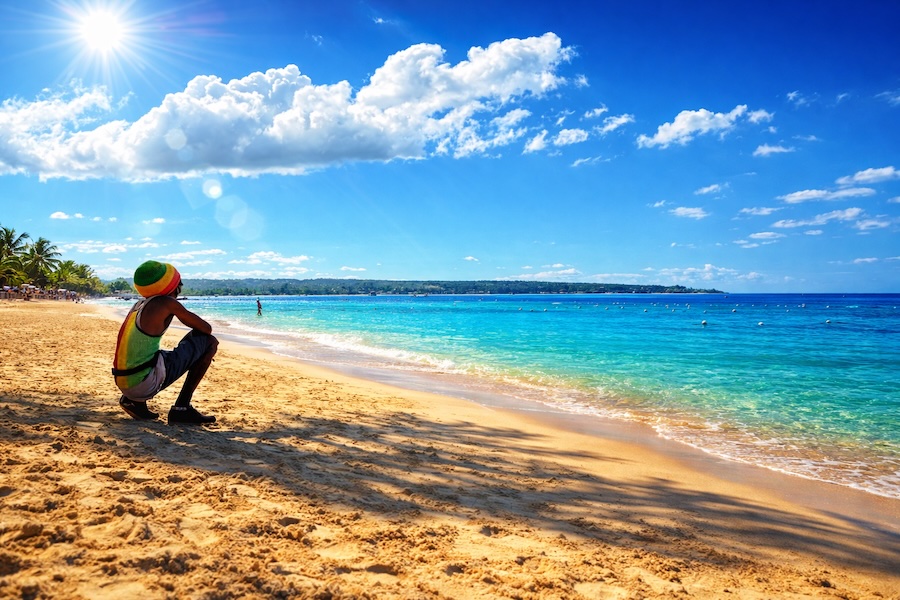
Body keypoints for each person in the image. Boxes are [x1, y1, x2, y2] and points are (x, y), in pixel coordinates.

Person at [112, 260, 218, 424]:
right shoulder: (167, 303)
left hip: (124, 380)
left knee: (163, 352)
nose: (179, 289)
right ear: (171, 286)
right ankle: (182, 408)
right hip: (141, 384)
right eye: (178, 284)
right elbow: (206, 329)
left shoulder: (139, 305)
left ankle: (134, 402)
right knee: (209, 342)